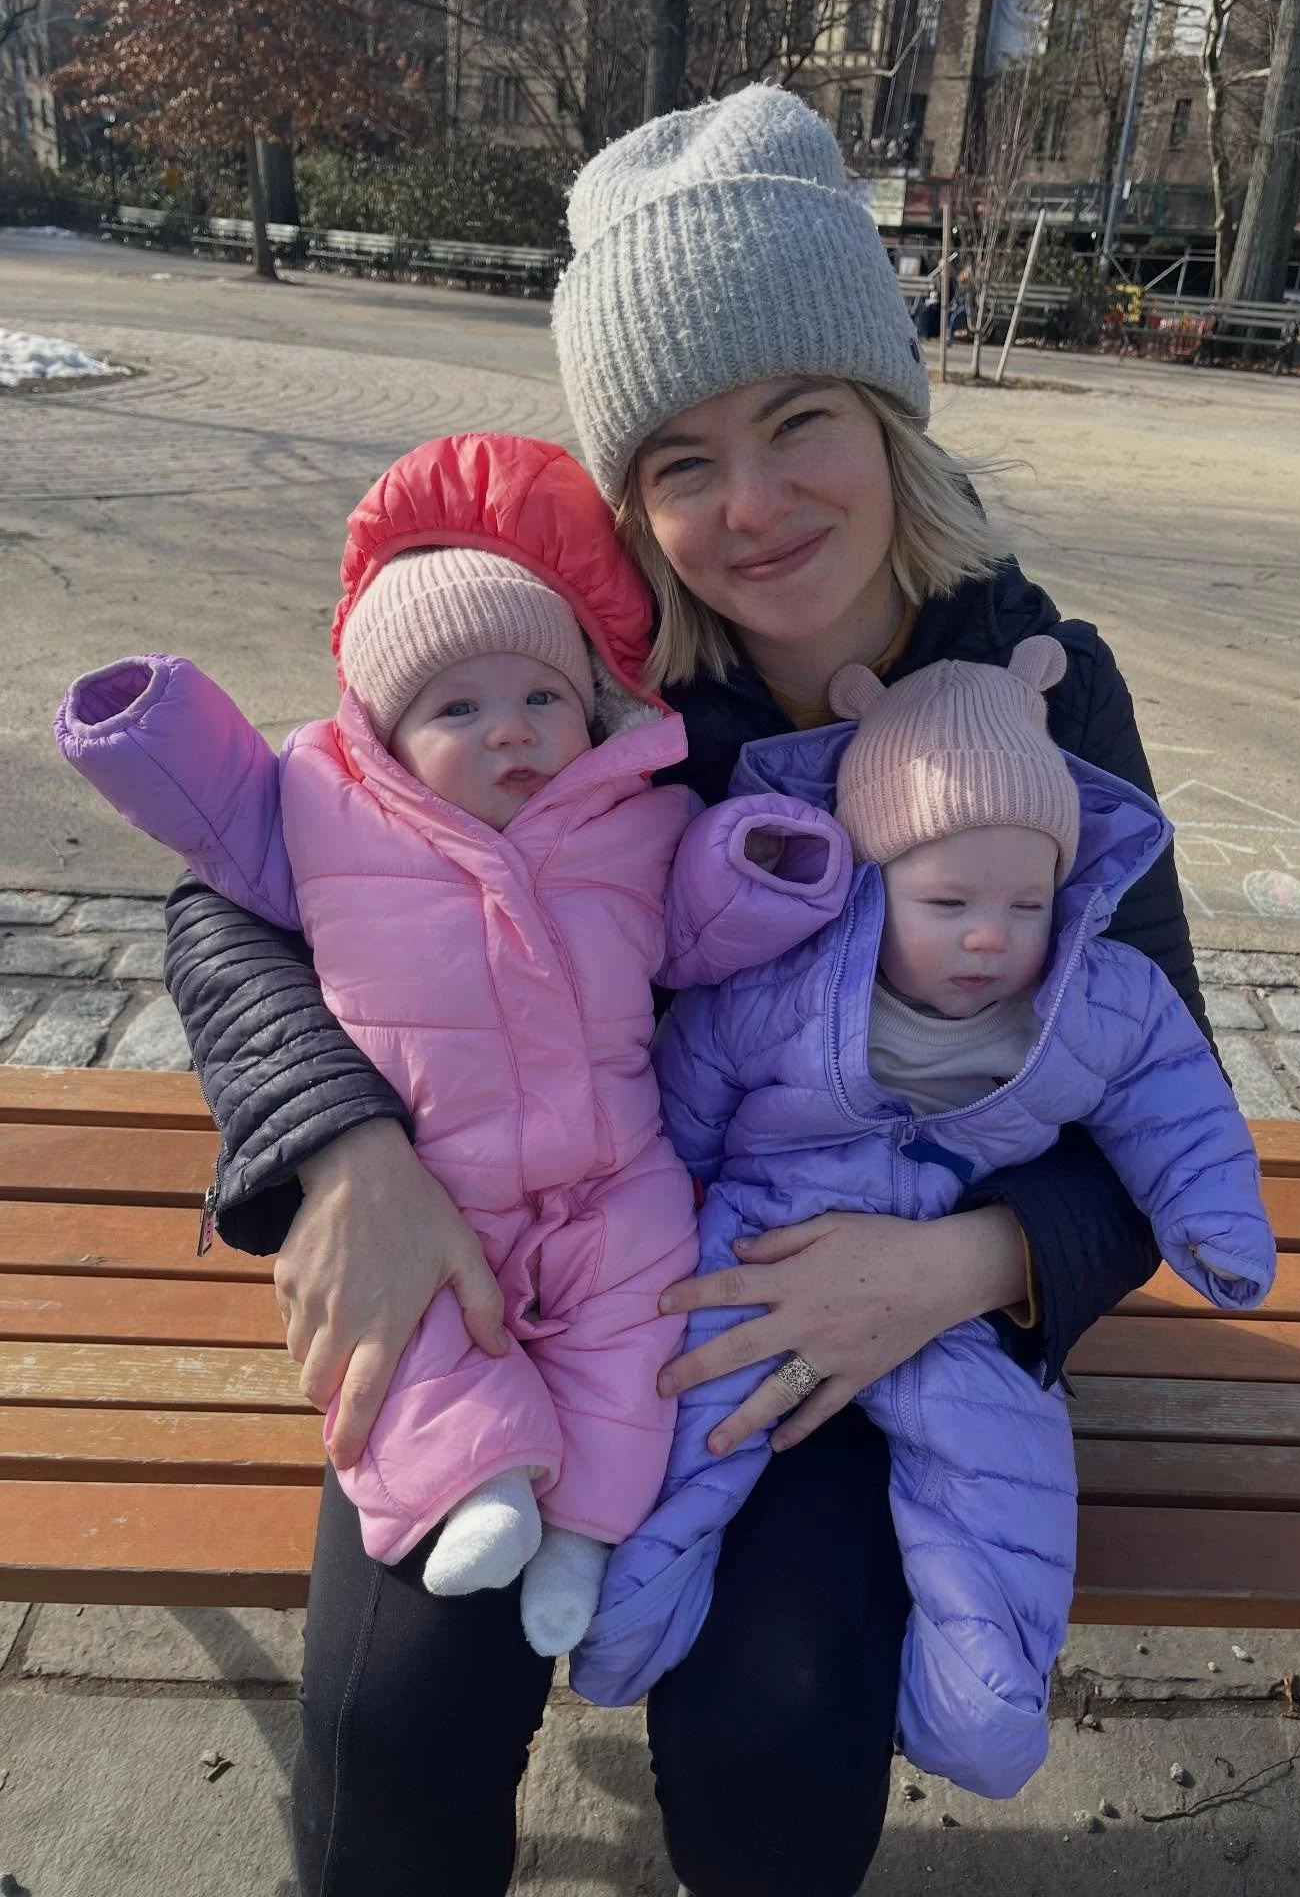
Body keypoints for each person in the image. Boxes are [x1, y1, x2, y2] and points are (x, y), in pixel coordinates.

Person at [159, 84, 1213, 1897]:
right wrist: (344, 1151)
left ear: (888, 417)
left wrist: (964, 1266)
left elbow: (1158, 1082)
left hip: (856, 1321)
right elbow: (246, 884)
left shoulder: (1043, 688)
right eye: (680, 461)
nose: (755, 504)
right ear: (633, 503)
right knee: (397, 1710)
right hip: (530, 1282)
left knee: (779, 1711)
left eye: (800, 421)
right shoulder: (580, 692)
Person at [55, 431, 850, 1655]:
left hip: (613, 1178)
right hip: (436, 1188)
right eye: (457, 708)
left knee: (643, 1333)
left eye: (541, 696)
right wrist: (145, 726)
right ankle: (478, 1487)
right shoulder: (331, 818)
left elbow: (699, 920)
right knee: (412, 1343)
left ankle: (585, 1533)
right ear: (385, 727)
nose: (512, 731)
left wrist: (773, 868)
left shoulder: (634, 820)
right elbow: (219, 824)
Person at [574, 642, 1274, 1798]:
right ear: (871, 882)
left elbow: (1176, 1095)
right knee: (702, 1417)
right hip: (765, 1243)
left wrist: (1217, 1225)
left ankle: (982, 1695)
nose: (990, 937)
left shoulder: (1091, 997)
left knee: (998, 1464)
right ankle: (631, 1610)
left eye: (1025, 903)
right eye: (947, 903)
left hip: (959, 1295)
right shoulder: (785, 982)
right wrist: (674, 1199)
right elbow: (690, 1082)